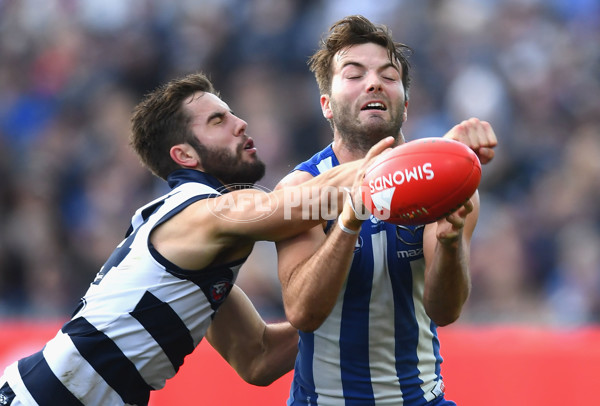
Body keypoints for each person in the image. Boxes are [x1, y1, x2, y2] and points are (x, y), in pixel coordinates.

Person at [0, 72, 393, 406]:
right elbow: (293, 205)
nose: (241, 122)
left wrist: (351, 310)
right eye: (218, 120)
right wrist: (404, 163)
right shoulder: (202, 210)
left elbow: (258, 357)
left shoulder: (200, 255)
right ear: (185, 155)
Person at [275, 16, 498, 405]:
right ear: (326, 105)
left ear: (406, 105)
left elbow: (445, 310)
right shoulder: (299, 190)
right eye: (354, 74)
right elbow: (302, 313)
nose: (374, 83)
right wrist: (351, 219)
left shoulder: (445, 184)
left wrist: (448, 244)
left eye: (388, 76)